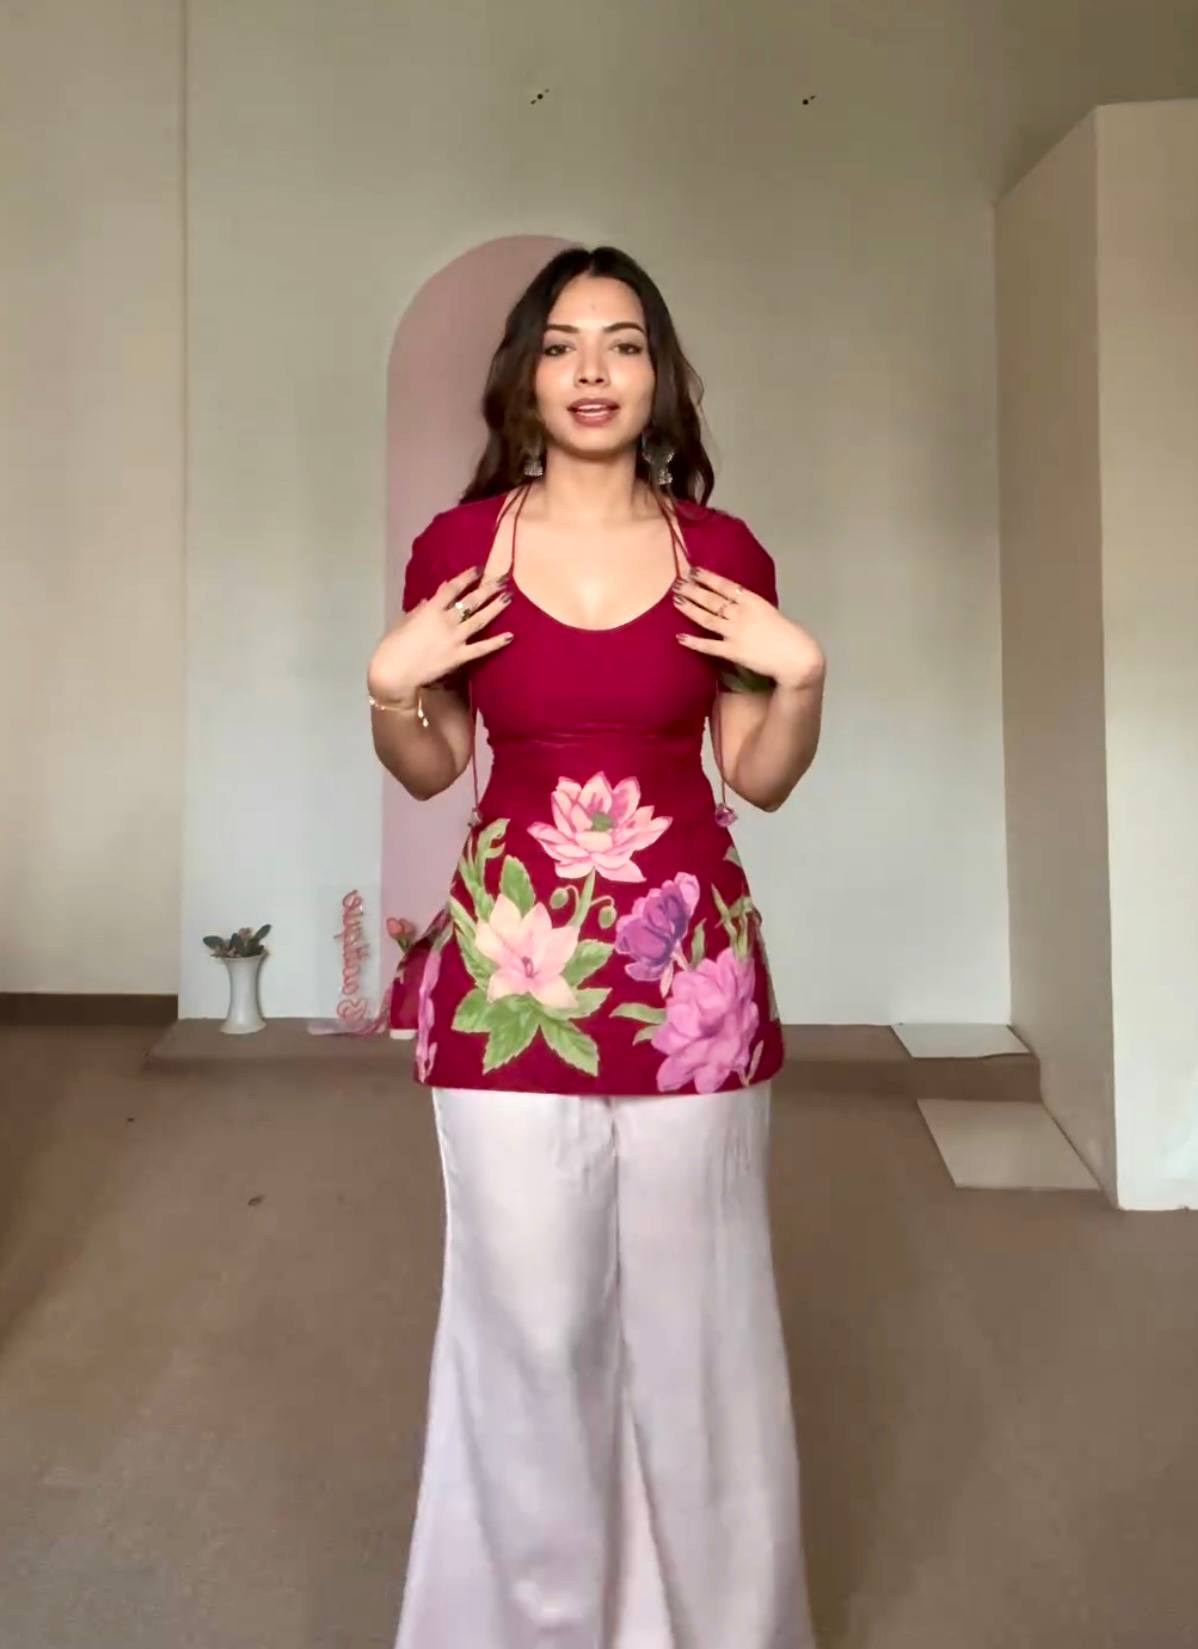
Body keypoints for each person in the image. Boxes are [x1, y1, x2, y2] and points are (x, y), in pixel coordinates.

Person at [367, 244, 826, 1649]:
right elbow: (432, 766)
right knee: (530, 1322)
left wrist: (801, 678)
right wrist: (389, 693)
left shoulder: (721, 555)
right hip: (508, 985)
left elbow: (757, 776)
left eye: (623, 343)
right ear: (524, 375)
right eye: (563, 343)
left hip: (693, 987)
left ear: (658, 376)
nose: (591, 370)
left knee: (698, 1329)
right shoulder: (458, 550)